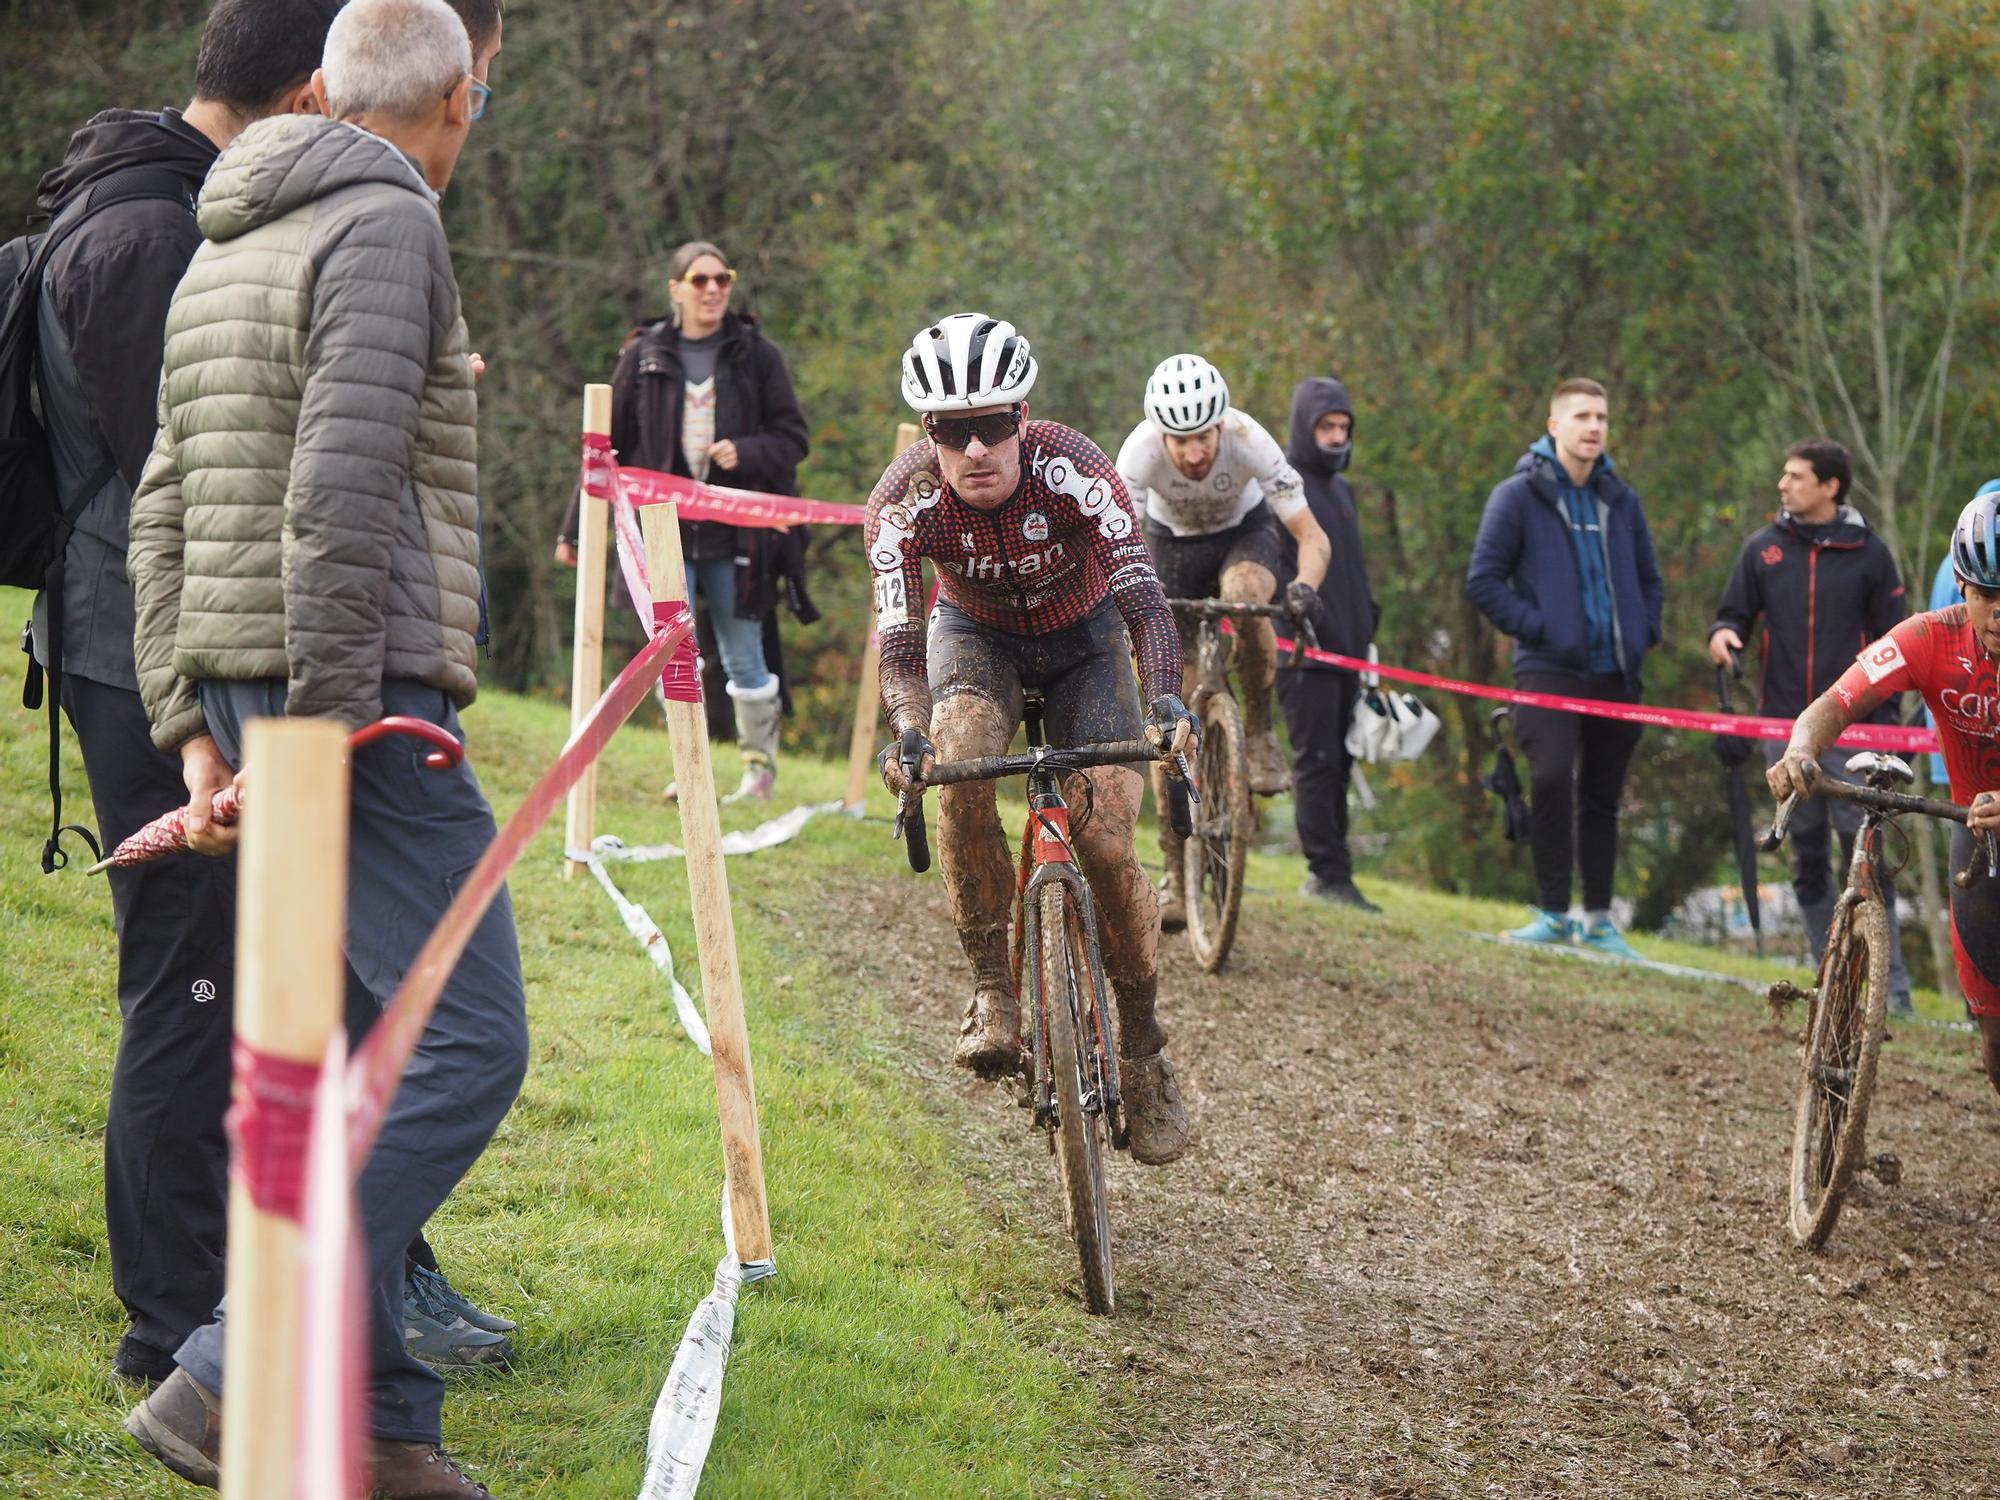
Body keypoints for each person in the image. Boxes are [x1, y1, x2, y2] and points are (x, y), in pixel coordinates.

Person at [123, 2, 518, 1493]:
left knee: (362, 1041)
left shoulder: (226, 223)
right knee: (472, 1037)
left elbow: (162, 498)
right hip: (351, 690)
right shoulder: (389, 218)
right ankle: (237, 1361)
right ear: (456, 103)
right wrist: (338, 721)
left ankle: (377, 1420)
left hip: (245, 686)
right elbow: (343, 489)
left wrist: (189, 725)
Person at [17, 0, 347, 1391]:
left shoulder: (149, 205)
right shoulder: (151, 238)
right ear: (310, 88)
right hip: (142, 651)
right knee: (187, 986)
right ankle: (169, 1334)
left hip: (153, 641)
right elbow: (187, 486)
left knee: (222, 980)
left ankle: (238, 1299)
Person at [869, 312, 1195, 1165]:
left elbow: (1146, 606)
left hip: (1086, 640)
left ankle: (1145, 1045)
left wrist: (1167, 701)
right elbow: (899, 648)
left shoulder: (1075, 469)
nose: (975, 448)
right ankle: (992, 991)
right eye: (952, 431)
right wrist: (907, 731)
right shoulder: (903, 503)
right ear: (930, 435)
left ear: (1022, 418)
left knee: (1102, 835)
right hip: (974, 641)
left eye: (993, 425)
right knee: (960, 751)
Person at [555, 239, 811, 803]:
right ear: (675, 289)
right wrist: (575, 530)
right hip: (662, 534)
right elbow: (606, 452)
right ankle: (690, 766)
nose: (714, 289)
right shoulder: (644, 356)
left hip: (738, 536)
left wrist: (745, 451)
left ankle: (758, 776)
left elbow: (794, 439)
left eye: (723, 278)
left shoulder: (757, 354)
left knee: (744, 651)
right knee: (673, 654)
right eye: (700, 280)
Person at [1768, 485, 2000, 1093]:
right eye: (1985, 595)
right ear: (1961, 584)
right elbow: (1836, 701)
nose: (1999, 613)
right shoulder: (1929, 637)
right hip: (1976, 841)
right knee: (1995, 1044)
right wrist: (1800, 749)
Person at [1708, 438, 1912, 1012]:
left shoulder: (1874, 556)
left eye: (1795, 476)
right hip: (1784, 732)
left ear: (1830, 487)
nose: (1783, 484)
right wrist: (1724, 635)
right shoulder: (1762, 549)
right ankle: (1829, 980)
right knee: (1806, 861)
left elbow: (1900, 646)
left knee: (1867, 860)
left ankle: (1891, 993)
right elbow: (1732, 615)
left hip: (1859, 736)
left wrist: (1889, 730)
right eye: (1783, 474)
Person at [1465, 377, 1663, 957]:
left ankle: (1599, 921)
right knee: (1550, 780)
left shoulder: (1621, 499)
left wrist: (1645, 631)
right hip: (1548, 670)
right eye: (1582, 416)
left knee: (1603, 797)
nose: (1595, 426)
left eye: (1601, 416)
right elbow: (1483, 581)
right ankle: (1553, 912)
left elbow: (1650, 580)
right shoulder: (1517, 495)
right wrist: (1541, 627)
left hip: (1617, 674)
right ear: (1555, 426)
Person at [1275, 376, 1381, 912]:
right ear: (1304, 427)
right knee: (1316, 760)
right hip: (1304, 655)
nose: (1337, 437)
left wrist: (1369, 622)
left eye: (1344, 427)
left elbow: (1352, 571)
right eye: (1326, 427)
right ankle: (1326, 872)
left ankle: (1340, 870)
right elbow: (1274, 569)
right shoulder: (1283, 488)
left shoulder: (1344, 491)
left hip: (1349, 654)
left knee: (1341, 762)